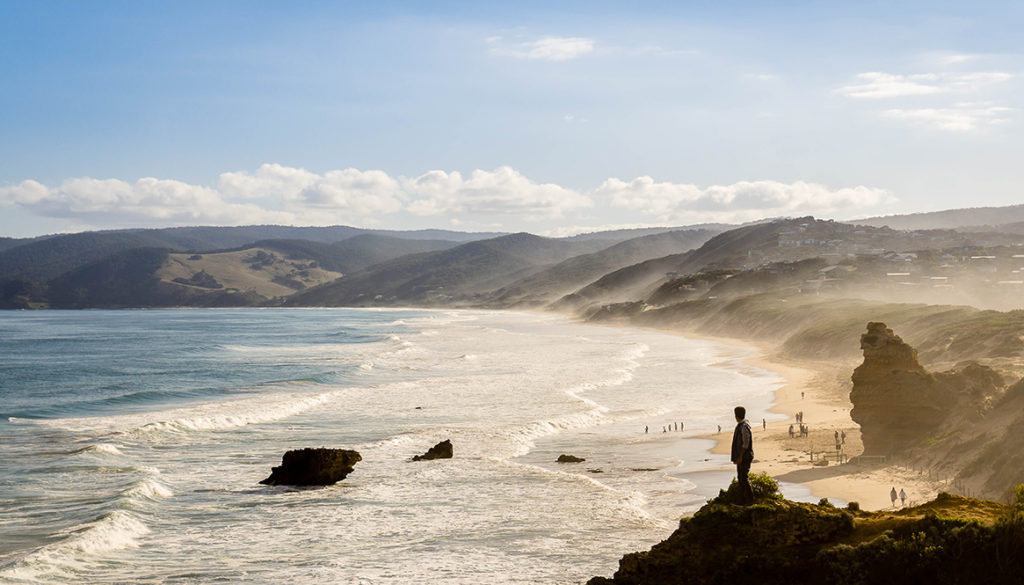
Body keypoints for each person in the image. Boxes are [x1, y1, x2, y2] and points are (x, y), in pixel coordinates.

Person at [731, 406, 754, 506]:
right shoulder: (743, 425)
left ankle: (749, 500)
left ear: (736, 416)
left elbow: (745, 443)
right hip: (743, 456)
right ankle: (743, 500)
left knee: (743, 478)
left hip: (745, 456)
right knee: (741, 478)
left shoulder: (743, 426)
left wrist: (740, 456)